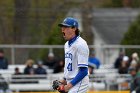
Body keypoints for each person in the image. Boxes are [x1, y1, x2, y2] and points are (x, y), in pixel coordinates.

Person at [56, 17, 89, 93]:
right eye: (62, 27)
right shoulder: (66, 45)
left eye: (66, 27)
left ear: (74, 28)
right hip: (70, 81)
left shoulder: (81, 44)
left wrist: (68, 86)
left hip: (79, 82)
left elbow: (84, 71)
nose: (62, 29)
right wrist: (63, 81)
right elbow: (70, 66)